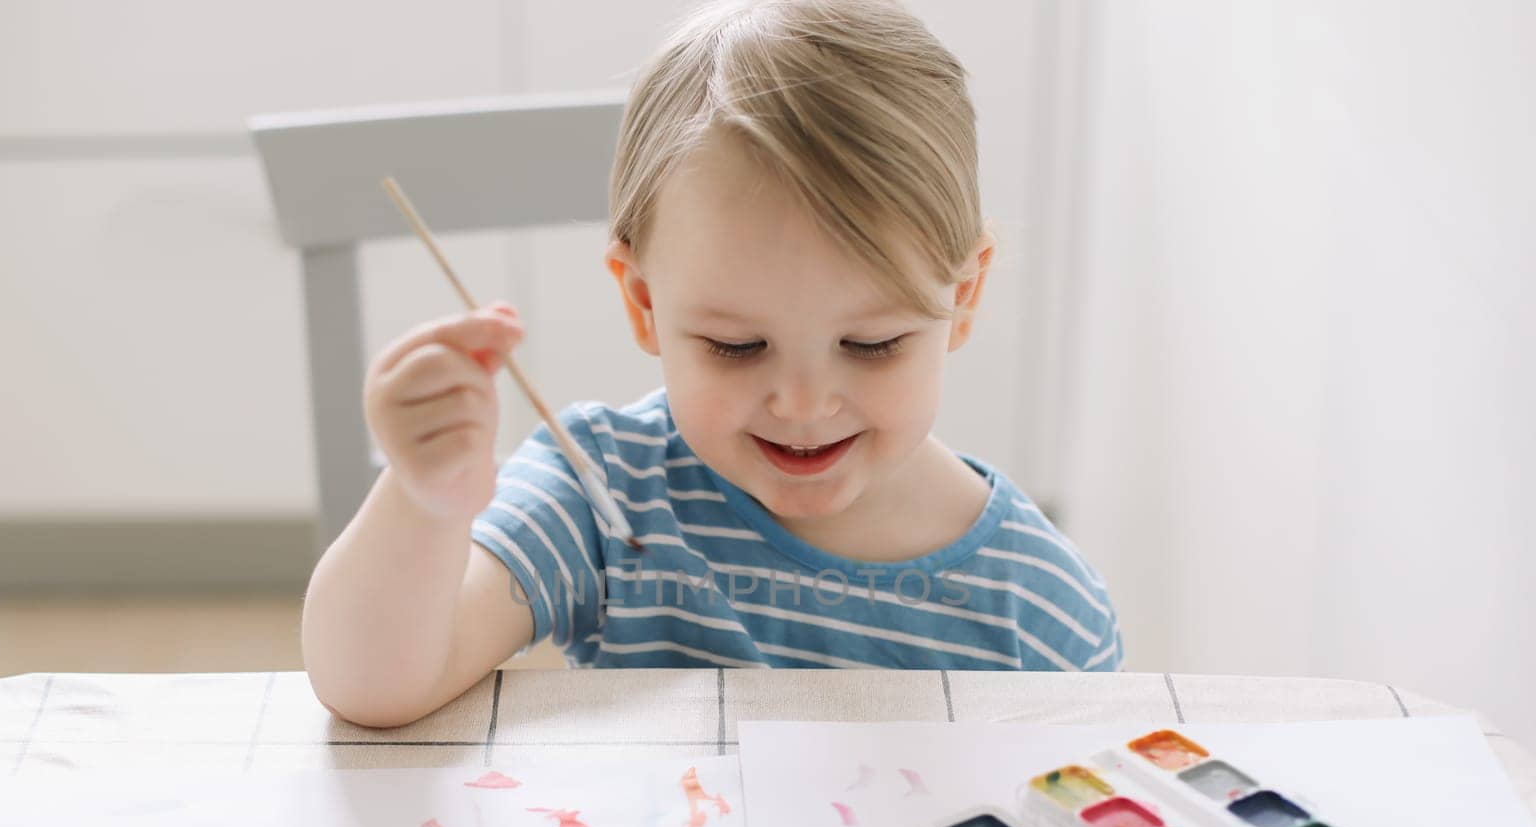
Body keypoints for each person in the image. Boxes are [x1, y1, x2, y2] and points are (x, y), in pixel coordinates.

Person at [302, 0, 1123, 727]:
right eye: (737, 346)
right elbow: (373, 687)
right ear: (644, 303)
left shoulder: (1042, 611)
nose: (802, 405)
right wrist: (423, 499)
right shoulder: (604, 492)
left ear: (964, 297)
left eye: (871, 345)